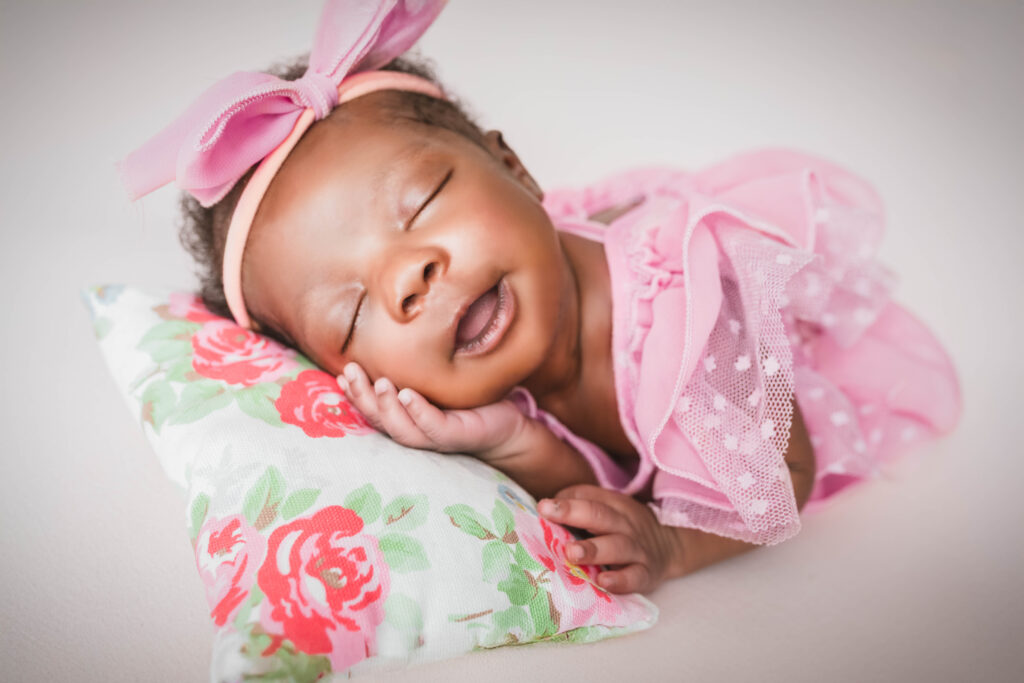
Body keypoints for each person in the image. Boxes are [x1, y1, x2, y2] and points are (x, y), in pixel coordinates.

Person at [120, 0, 962, 595]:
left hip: (775, 376)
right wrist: (509, 440)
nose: (408, 277)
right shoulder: (483, 392)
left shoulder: (690, 306)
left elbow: (783, 471)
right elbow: (610, 470)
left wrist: (670, 546)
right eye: (353, 313)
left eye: (417, 205)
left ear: (515, 167)